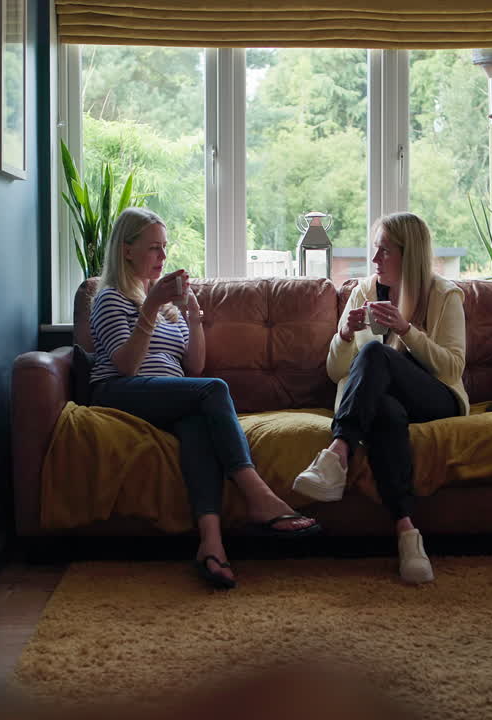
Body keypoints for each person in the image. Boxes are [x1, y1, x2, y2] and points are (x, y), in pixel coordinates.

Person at [89, 207, 321, 590]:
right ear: (126, 250)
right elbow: (126, 366)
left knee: (198, 425)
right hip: (120, 390)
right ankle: (258, 495)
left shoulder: (166, 306)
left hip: (166, 396)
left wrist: (193, 317)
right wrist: (149, 307)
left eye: (165, 247)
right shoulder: (111, 298)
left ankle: (211, 544)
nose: (163, 256)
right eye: (153, 248)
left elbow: (193, 366)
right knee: (214, 389)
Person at [294, 212, 468, 584]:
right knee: (385, 411)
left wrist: (406, 330)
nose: (374, 260)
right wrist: (343, 335)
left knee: (375, 353)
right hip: (382, 403)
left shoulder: (444, 294)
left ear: (410, 254)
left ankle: (338, 451)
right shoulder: (364, 292)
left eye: (384, 251)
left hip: (434, 397)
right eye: (375, 250)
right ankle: (407, 533)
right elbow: (336, 372)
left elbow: (452, 368)